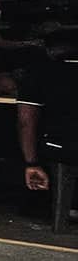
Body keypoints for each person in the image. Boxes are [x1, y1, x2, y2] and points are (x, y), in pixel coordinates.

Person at [18, 29, 78, 217]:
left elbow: (25, 121)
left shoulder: (39, 73)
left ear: (49, 50)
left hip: (59, 146)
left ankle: (51, 206)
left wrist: (31, 163)